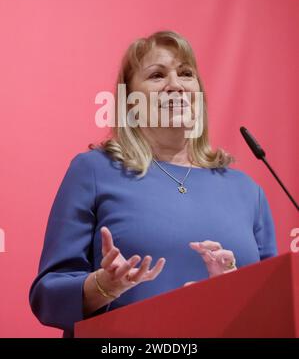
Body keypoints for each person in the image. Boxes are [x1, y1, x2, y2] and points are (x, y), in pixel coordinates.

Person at [29, 30, 277, 338]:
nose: (176, 85)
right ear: (131, 104)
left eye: (186, 74)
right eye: (157, 75)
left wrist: (230, 287)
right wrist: (104, 286)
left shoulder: (246, 190)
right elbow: (48, 296)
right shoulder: (93, 171)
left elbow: (273, 307)